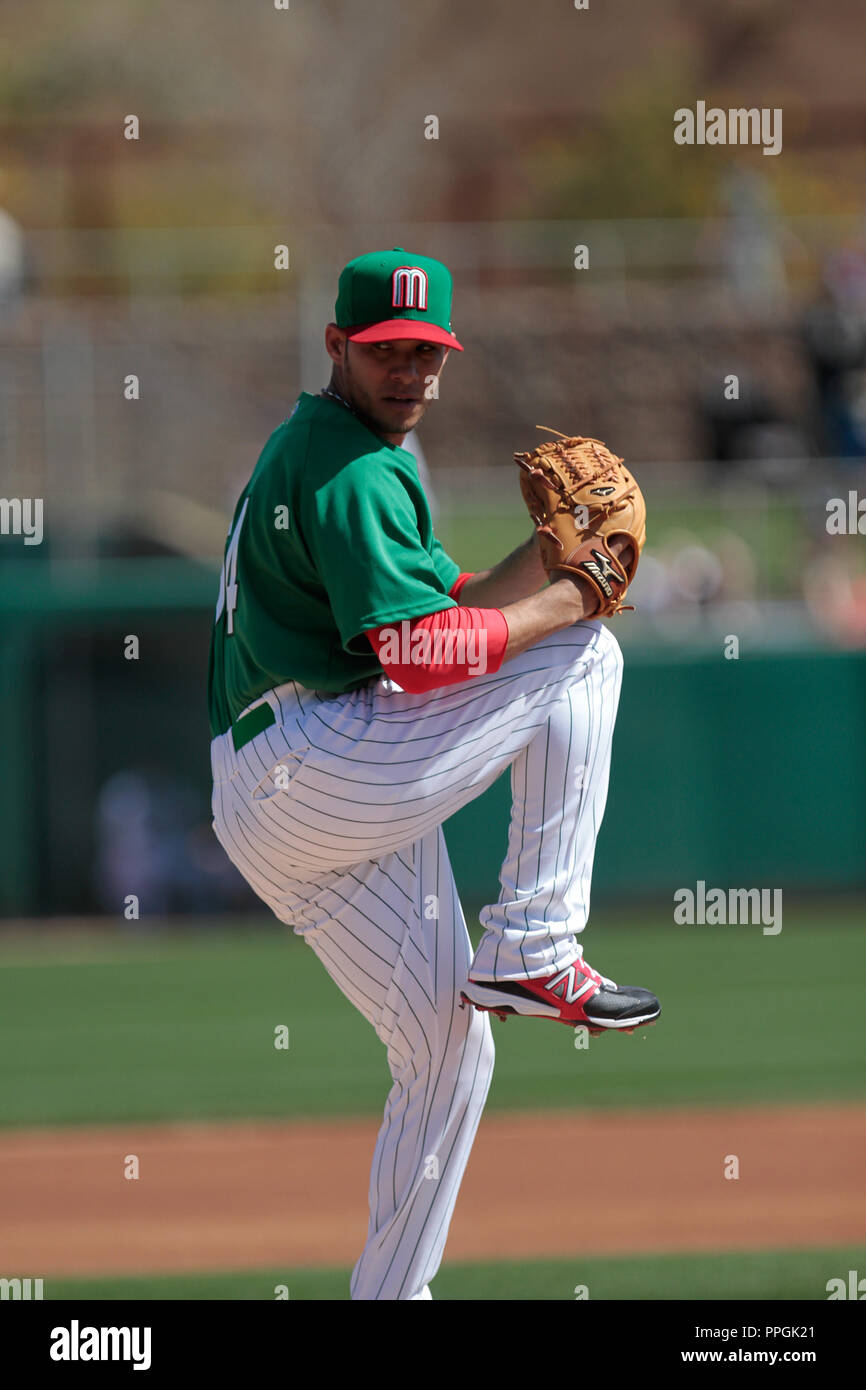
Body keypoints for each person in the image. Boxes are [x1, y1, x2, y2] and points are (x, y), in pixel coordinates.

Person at [207, 247, 660, 1300]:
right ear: (336, 348)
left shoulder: (333, 450)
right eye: (384, 352)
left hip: (281, 793)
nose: (408, 370)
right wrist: (569, 601)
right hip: (311, 753)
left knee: (448, 1054)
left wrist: (548, 564)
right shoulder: (352, 465)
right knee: (585, 653)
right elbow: (419, 656)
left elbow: (444, 609)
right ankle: (534, 941)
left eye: (425, 351)